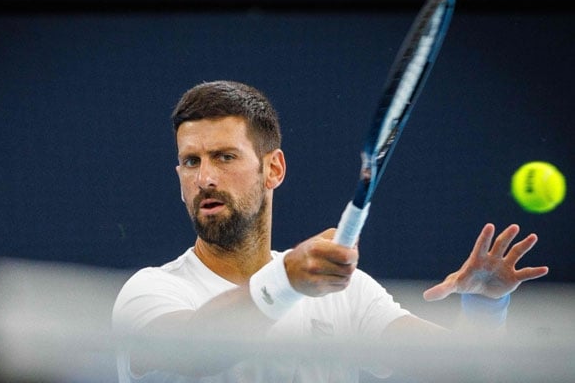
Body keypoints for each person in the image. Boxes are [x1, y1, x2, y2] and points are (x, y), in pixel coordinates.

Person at [111, 80, 549, 382]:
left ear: (273, 169)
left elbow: (465, 372)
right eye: (191, 161)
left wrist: (486, 308)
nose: (205, 177)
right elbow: (191, 351)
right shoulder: (150, 291)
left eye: (225, 157)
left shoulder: (344, 290)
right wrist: (286, 280)